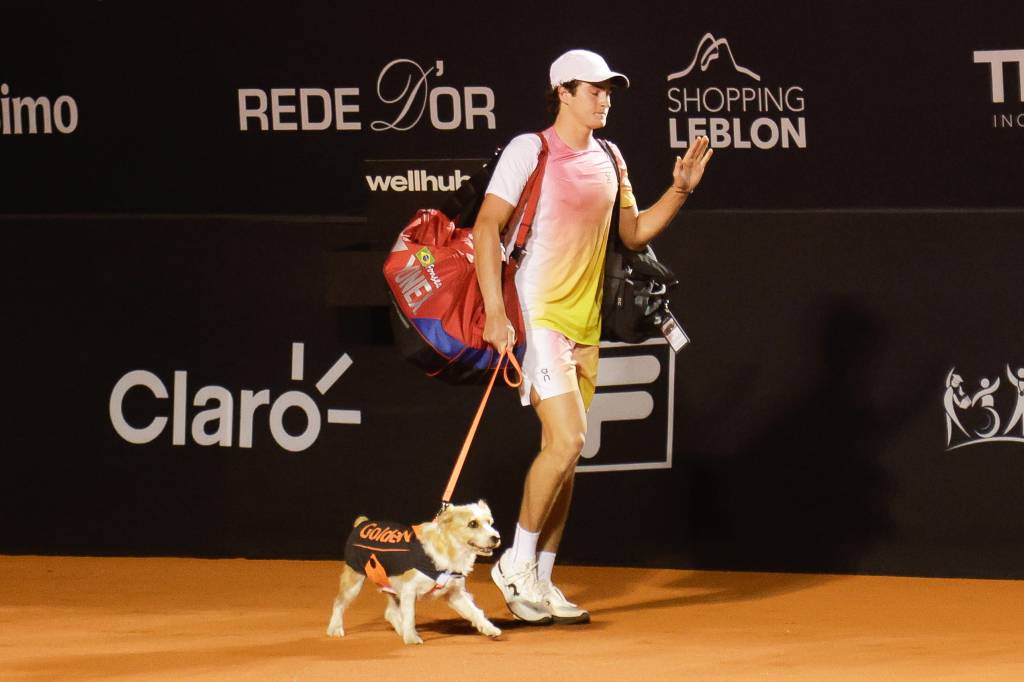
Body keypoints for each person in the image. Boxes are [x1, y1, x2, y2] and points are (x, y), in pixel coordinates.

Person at [471, 49, 713, 624]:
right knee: (567, 439)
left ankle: (544, 581)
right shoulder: (529, 150)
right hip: (539, 315)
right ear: (563, 91)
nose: (605, 97)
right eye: (594, 88)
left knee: (569, 455)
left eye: (609, 89)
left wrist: (679, 190)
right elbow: (486, 226)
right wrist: (493, 311)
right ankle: (515, 562)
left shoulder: (611, 155)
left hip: (586, 324)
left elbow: (631, 232)